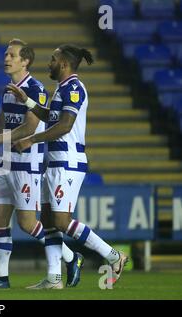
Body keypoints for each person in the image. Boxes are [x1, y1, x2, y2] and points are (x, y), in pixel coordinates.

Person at [0, 39, 82, 289]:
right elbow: (2, 118)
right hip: (5, 162)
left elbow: (29, 127)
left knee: (27, 223)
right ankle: (1, 277)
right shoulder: (9, 89)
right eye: (6, 54)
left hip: (26, 164)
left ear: (25, 61)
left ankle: (71, 257)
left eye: (11, 55)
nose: (6, 58)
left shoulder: (36, 88)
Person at [10, 44, 128, 289]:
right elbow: (51, 118)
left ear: (63, 63)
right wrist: (28, 102)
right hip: (54, 161)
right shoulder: (62, 87)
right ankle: (54, 278)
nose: (49, 63)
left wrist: (31, 139)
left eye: (52, 59)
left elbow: (64, 126)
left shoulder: (74, 88)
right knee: (47, 219)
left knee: (62, 222)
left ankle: (114, 256)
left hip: (68, 162)